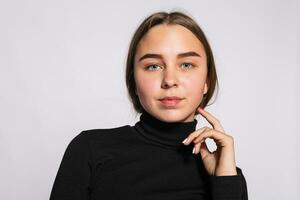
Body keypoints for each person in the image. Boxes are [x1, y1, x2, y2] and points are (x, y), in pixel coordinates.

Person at [49, 10, 248, 200]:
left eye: (186, 65)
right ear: (134, 81)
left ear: (207, 80)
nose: (170, 80)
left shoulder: (227, 175)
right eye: (153, 66)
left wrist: (225, 184)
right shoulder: (90, 150)